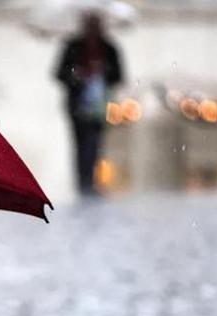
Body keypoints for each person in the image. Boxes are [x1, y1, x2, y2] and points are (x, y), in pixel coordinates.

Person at [55, 11, 124, 196]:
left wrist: (103, 70)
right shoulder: (73, 46)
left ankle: (91, 179)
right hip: (77, 104)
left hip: (100, 105)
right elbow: (59, 73)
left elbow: (118, 75)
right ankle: (83, 181)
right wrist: (77, 75)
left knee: (95, 143)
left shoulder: (109, 48)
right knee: (80, 144)